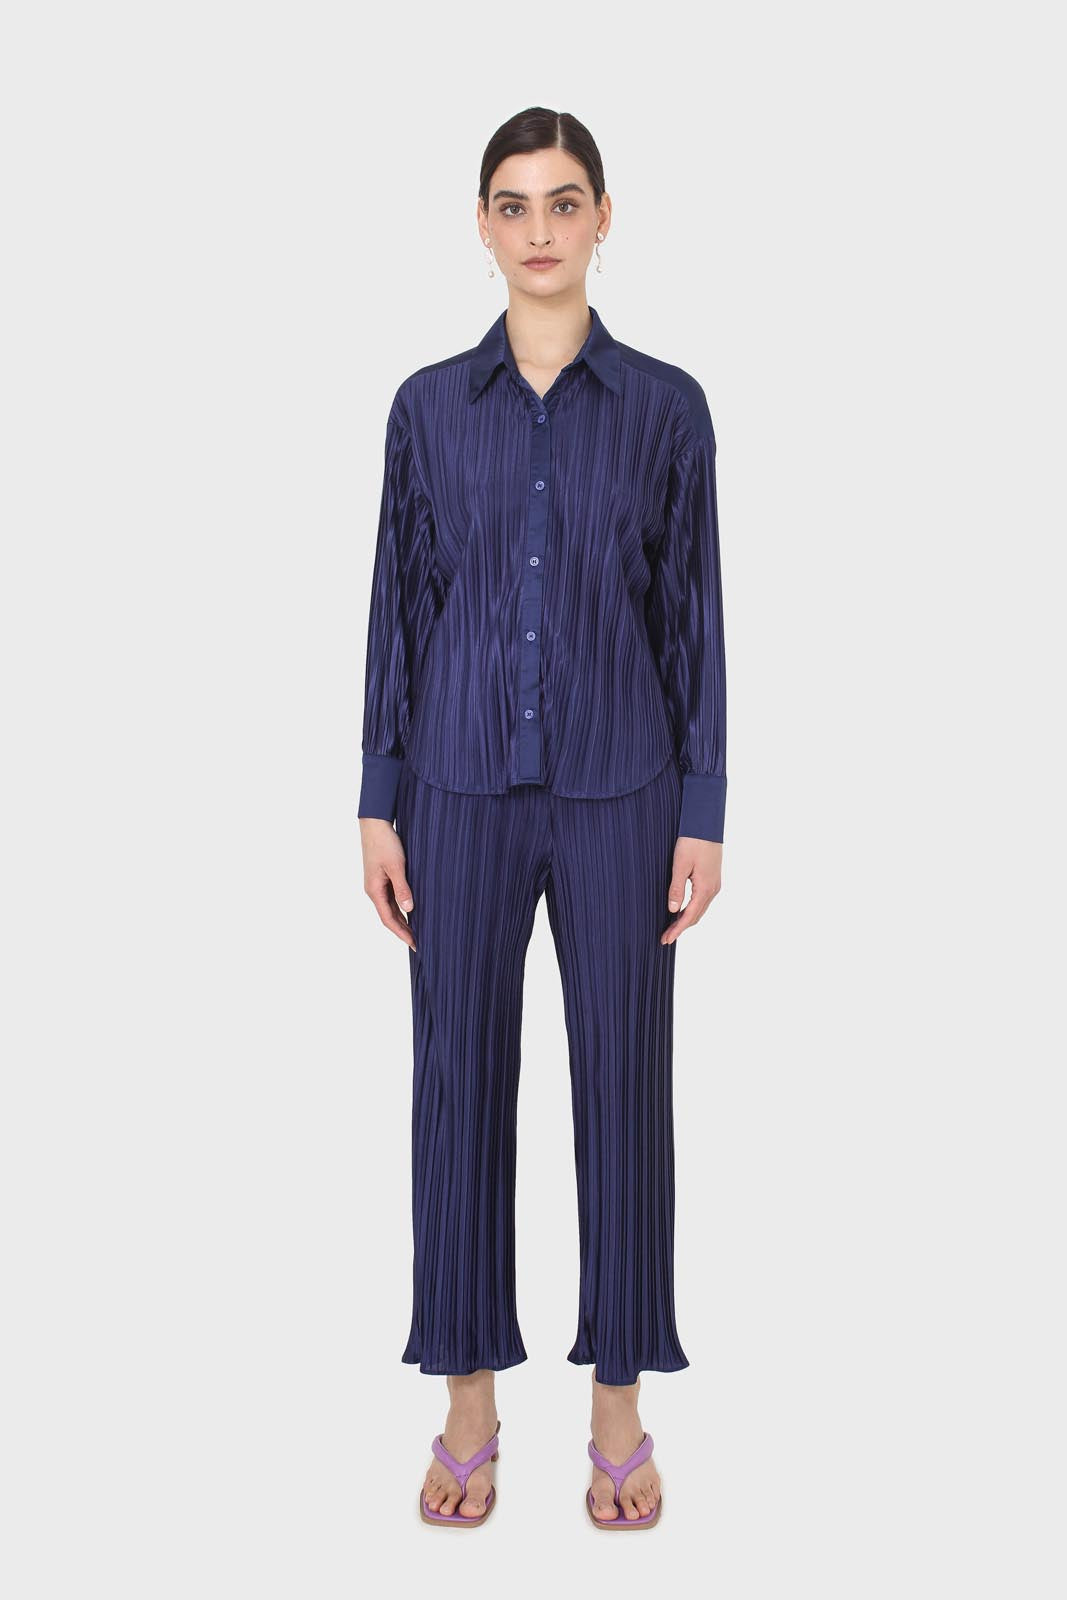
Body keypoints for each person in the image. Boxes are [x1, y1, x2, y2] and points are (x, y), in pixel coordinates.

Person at [357, 106, 727, 1530]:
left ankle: (618, 1406)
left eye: (564, 202)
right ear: (482, 224)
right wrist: (378, 797)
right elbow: (399, 605)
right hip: (453, 790)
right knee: (456, 1095)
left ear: (603, 217)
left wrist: (702, 808)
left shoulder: (668, 409)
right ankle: (467, 1401)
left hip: (623, 789)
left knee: (625, 1093)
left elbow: (691, 612)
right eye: (513, 205)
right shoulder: (424, 409)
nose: (539, 229)